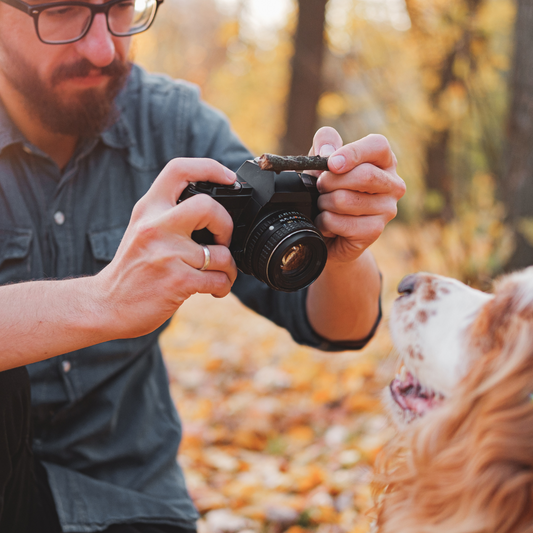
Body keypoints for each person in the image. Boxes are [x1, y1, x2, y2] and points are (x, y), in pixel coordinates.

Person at [0, 0, 406, 531]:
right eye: (59, 10)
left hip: (124, 496)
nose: (102, 47)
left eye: (120, 7)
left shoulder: (174, 125)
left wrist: (342, 244)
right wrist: (103, 301)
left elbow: (338, 329)